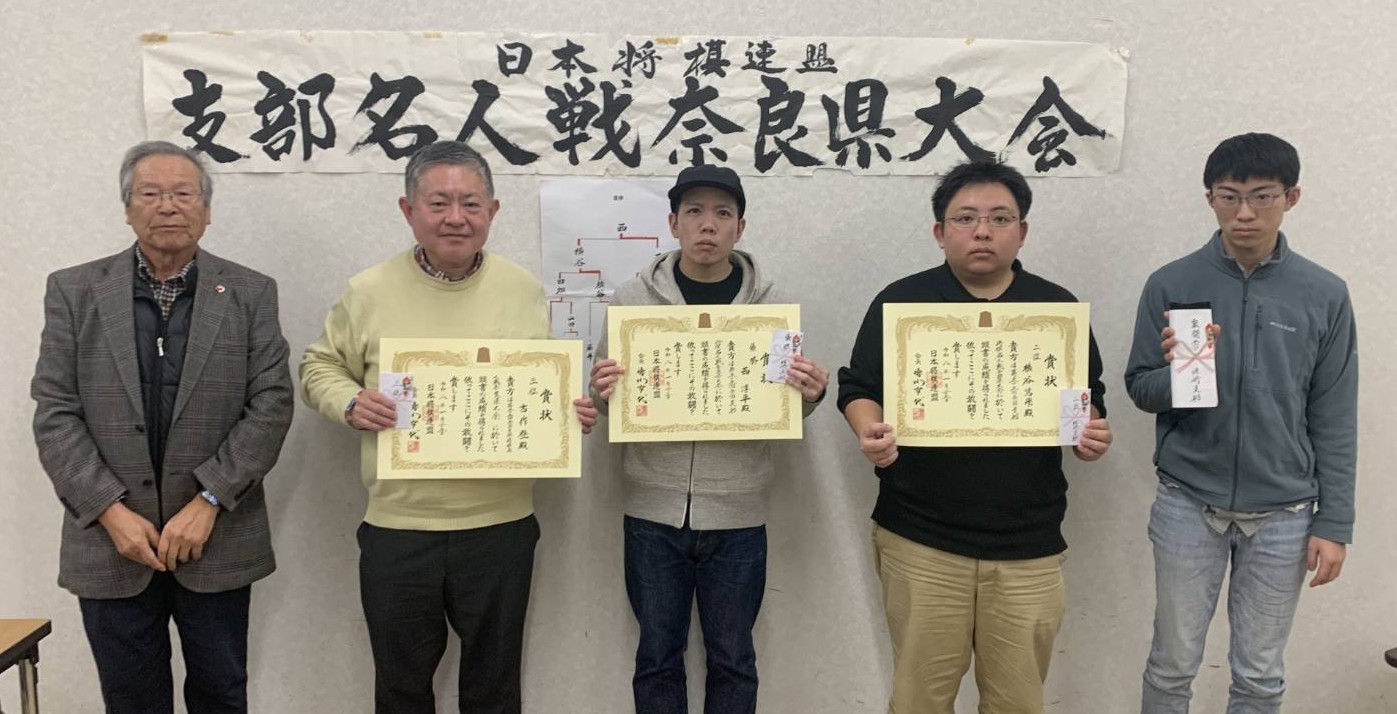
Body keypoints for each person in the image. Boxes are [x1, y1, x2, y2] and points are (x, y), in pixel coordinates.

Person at [300, 140, 596, 714]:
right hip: (399, 528)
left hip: (501, 527)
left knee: (495, 688)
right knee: (401, 688)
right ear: (408, 210)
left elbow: (539, 383)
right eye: (438, 203)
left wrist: (567, 413)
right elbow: (318, 366)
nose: (455, 217)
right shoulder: (368, 291)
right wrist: (349, 401)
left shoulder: (522, 289)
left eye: (470, 203)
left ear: (493, 211)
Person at [837, 160, 1112, 713]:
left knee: (1018, 703)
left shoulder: (1055, 310)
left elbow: (1087, 398)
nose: (982, 231)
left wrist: (1091, 433)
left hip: (1028, 543)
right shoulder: (902, 302)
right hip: (921, 536)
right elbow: (858, 387)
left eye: (999, 218)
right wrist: (870, 429)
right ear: (940, 232)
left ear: (1022, 231)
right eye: (965, 218)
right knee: (918, 701)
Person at [31, 140, 294, 713]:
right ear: (128, 208)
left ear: (207, 210)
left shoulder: (250, 292)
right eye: (150, 194)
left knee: (221, 694)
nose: (168, 206)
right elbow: (54, 411)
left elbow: (271, 404)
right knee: (130, 700)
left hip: (217, 537)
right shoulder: (74, 290)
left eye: (183, 194)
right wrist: (109, 511)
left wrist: (210, 499)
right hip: (110, 542)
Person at [1126, 132, 1358, 713]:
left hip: (1284, 513)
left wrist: (1335, 522)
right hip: (1187, 501)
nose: (1245, 213)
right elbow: (1140, 389)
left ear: (1292, 197)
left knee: (1259, 676)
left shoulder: (1324, 293)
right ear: (1210, 199)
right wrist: (1179, 374)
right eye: (1229, 197)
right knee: (1171, 665)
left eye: (1262, 196)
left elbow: (1334, 414)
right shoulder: (1172, 283)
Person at [589, 164, 829, 714]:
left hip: (739, 516)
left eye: (723, 213)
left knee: (734, 660)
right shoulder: (631, 301)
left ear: (739, 227)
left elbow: (787, 407)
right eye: (694, 211)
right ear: (673, 223)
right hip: (652, 514)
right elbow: (606, 402)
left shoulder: (772, 307)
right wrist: (601, 391)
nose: (708, 224)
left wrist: (812, 393)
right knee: (657, 658)